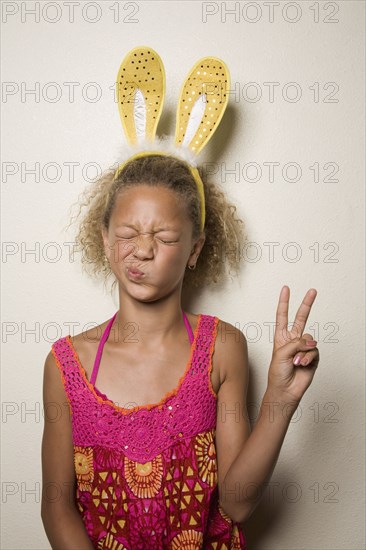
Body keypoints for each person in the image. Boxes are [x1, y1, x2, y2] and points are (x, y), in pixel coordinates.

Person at [41, 46, 320, 549]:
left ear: (195, 249)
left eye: (166, 238)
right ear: (103, 241)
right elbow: (57, 505)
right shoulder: (66, 364)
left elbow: (236, 504)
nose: (142, 250)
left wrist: (280, 401)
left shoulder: (222, 348)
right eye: (127, 232)